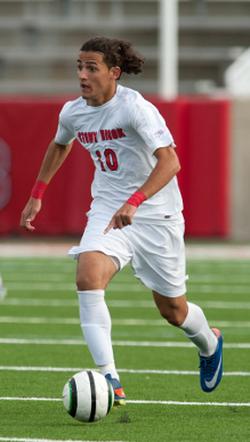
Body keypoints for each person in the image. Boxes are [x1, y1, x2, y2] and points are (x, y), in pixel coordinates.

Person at [20, 36, 223, 405]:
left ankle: (210, 342)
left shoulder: (136, 109)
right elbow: (60, 143)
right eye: (79, 67)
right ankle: (109, 377)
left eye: (91, 68)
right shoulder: (73, 112)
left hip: (156, 215)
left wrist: (135, 201)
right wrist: (37, 193)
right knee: (87, 276)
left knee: (174, 311)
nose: (82, 75)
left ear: (114, 73)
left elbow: (171, 162)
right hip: (108, 209)